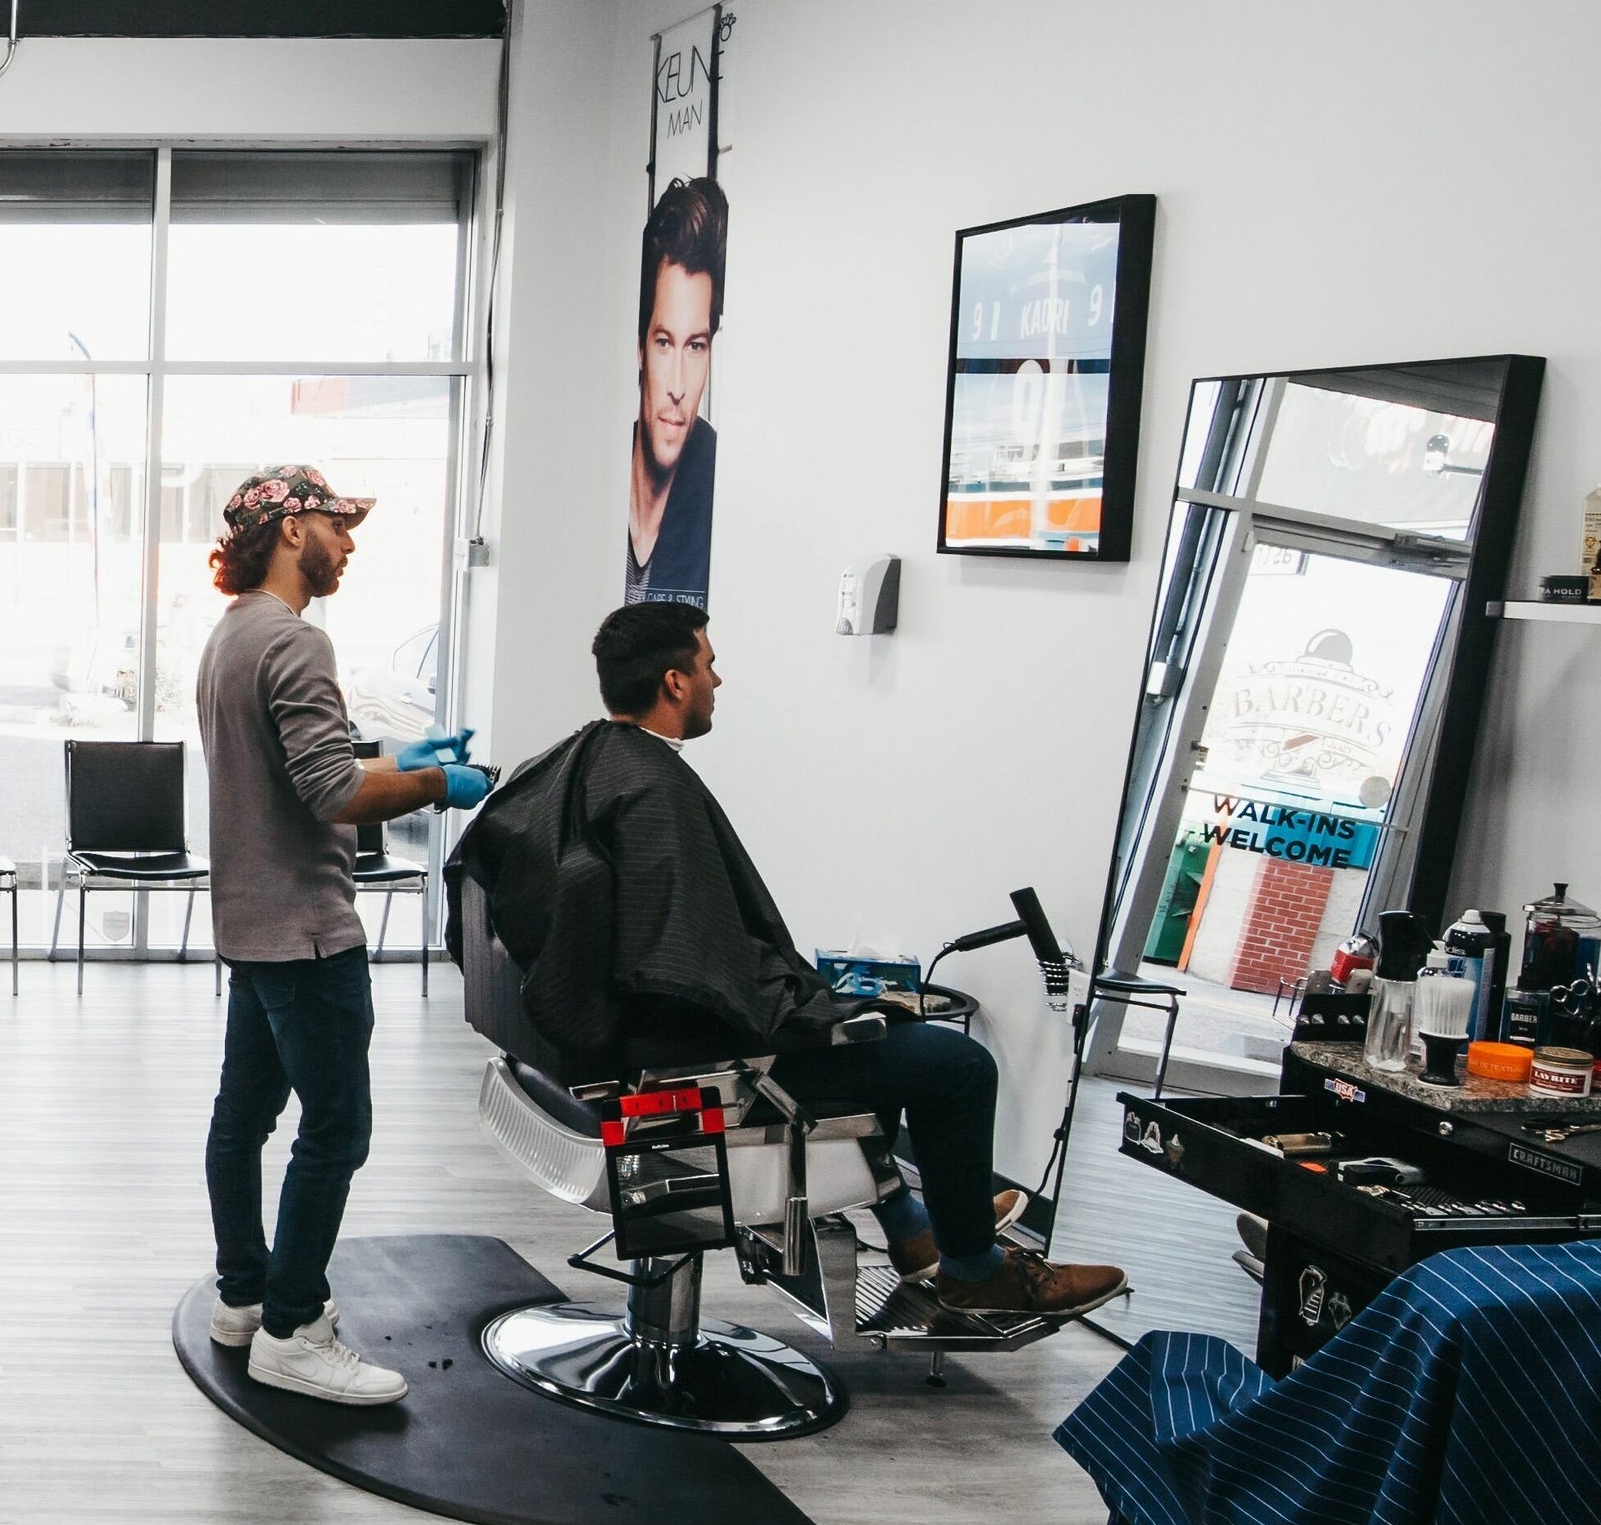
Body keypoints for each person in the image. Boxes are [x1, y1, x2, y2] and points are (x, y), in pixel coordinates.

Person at [461, 599, 1122, 1317]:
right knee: (954, 1064)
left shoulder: (575, 761)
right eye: (711, 664)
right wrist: (824, 1012)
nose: (720, 679)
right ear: (676, 682)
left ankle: (913, 1232)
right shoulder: (653, 790)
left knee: (875, 1034)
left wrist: (827, 1006)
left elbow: (671, 943)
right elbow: (690, 971)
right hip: (668, 1071)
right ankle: (975, 1266)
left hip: (581, 1055)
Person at [194, 465, 496, 1404]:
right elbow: (329, 790)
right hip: (311, 937)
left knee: (242, 1120)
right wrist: (437, 787)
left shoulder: (230, 636)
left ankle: (243, 1298)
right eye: (338, 524)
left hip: (251, 926)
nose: (350, 542)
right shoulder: (297, 642)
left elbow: (304, 759)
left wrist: (398, 756)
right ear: (291, 530)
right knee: (337, 1131)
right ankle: (293, 1330)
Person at [625, 177, 724, 605]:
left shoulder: (719, 476)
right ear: (641, 350)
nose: (679, 388)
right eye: (664, 343)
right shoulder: (598, 464)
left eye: (696, 346)